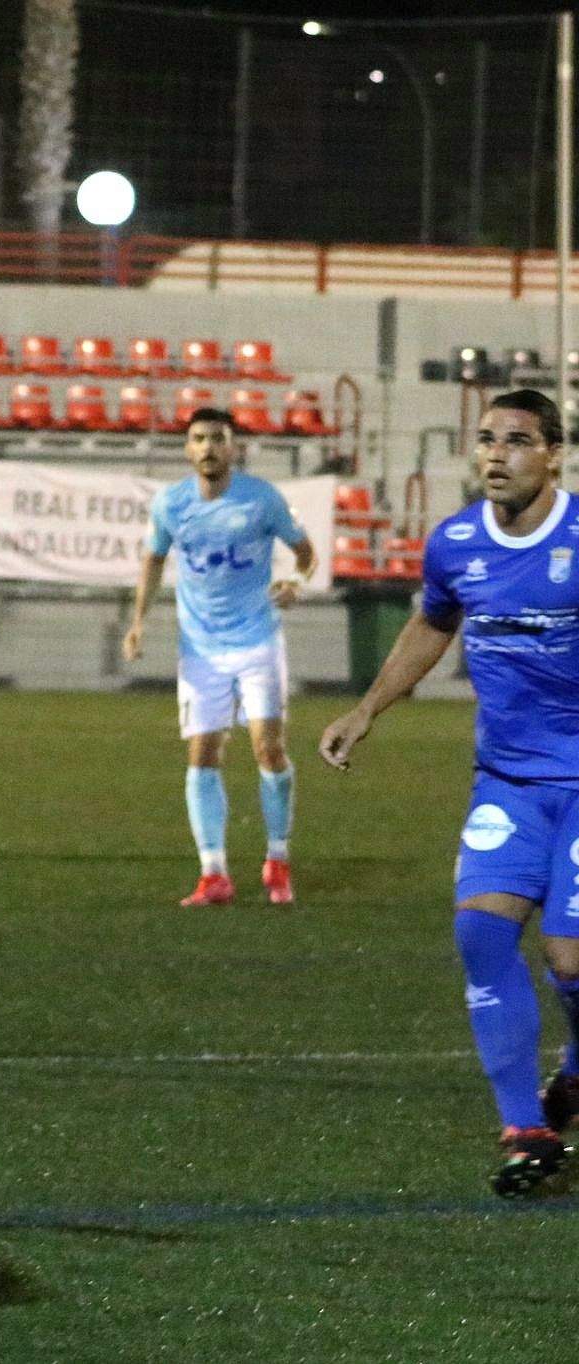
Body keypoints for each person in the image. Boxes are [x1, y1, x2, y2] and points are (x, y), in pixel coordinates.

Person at [320, 389, 579, 1199]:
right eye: (487, 441)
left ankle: (574, 1069)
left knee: (570, 960)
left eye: (518, 441)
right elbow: (432, 624)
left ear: (554, 455)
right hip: (506, 782)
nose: (497, 455)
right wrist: (368, 708)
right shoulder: (456, 543)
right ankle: (526, 1128)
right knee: (480, 937)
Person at [123, 407, 315, 907]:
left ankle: (277, 860)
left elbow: (306, 552)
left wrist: (298, 582)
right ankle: (214, 874)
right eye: (199, 439)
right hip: (201, 650)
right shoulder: (171, 504)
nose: (208, 447)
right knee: (202, 754)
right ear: (188, 449)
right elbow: (153, 562)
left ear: (233, 448)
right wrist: (138, 621)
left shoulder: (261, 500)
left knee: (267, 750)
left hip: (257, 643)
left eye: (217, 439)